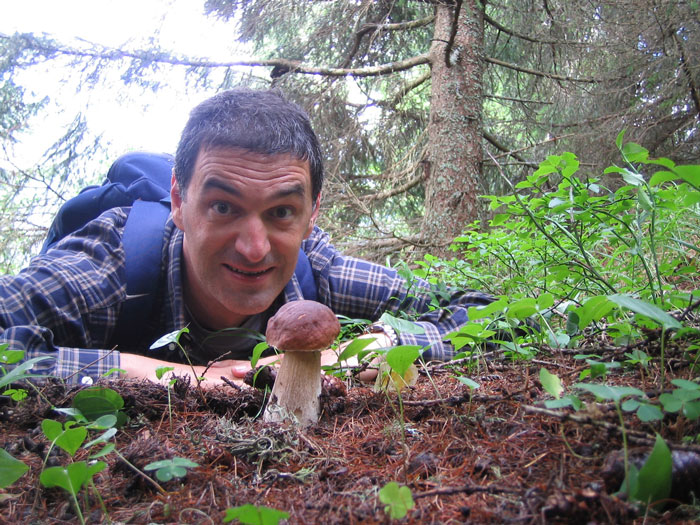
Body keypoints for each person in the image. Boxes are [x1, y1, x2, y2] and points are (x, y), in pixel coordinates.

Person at [0, 88, 493, 387]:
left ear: (311, 214)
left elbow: (491, 312)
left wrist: (371, 348)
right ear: (179, 200)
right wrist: (168, 376)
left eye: (281, 212)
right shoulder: (113, 261)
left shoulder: (317, 270)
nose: (255, 248)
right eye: (223, 206)